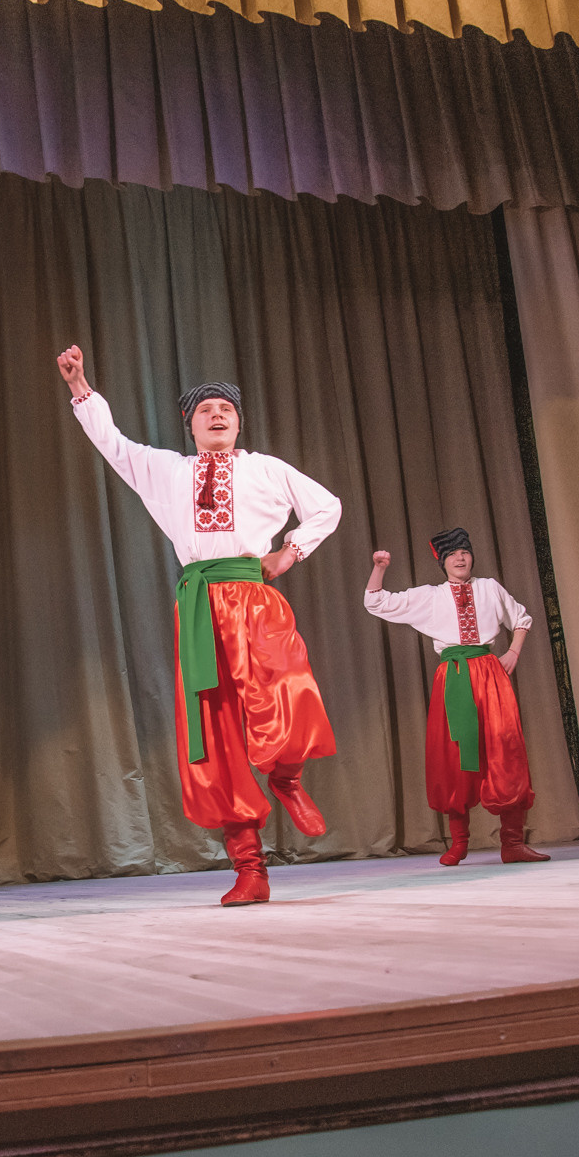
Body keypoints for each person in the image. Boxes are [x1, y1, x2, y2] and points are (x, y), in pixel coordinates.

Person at [57, 344, 340, 905]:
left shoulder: (267, 468)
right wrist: (79, 387)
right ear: (190, 424)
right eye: (206, 409)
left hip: (255, 598)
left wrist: (291, 552)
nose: (217, 415)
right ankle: (250, 868)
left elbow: (326, 506)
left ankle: (287, 777)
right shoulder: (168, 471)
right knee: (213, 734)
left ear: (238, 422)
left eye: (226, 410)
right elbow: (113, 445)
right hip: (198, 606)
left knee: (289, 694)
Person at [364, 530, 547, 865]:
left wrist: (514, 653)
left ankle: (512, 843)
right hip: (455, 677)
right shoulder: (431, 596)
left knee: (504, 749)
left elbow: (521, 619)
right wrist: (379, 567)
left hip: (490, 673)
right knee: (453, 754)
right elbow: (375, 601)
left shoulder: (489, 587)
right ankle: (459, 843)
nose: (460, 558)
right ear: (442, 562)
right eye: (452, 555)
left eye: (464, 552)